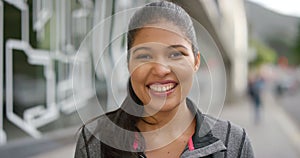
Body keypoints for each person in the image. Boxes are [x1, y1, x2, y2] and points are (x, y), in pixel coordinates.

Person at [75, 1, 254, 158]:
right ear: (128, 65)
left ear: (196, 61)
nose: (160, 69)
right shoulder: (95, 141)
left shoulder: (234, 143)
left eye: (175, 54)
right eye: (144, 56)